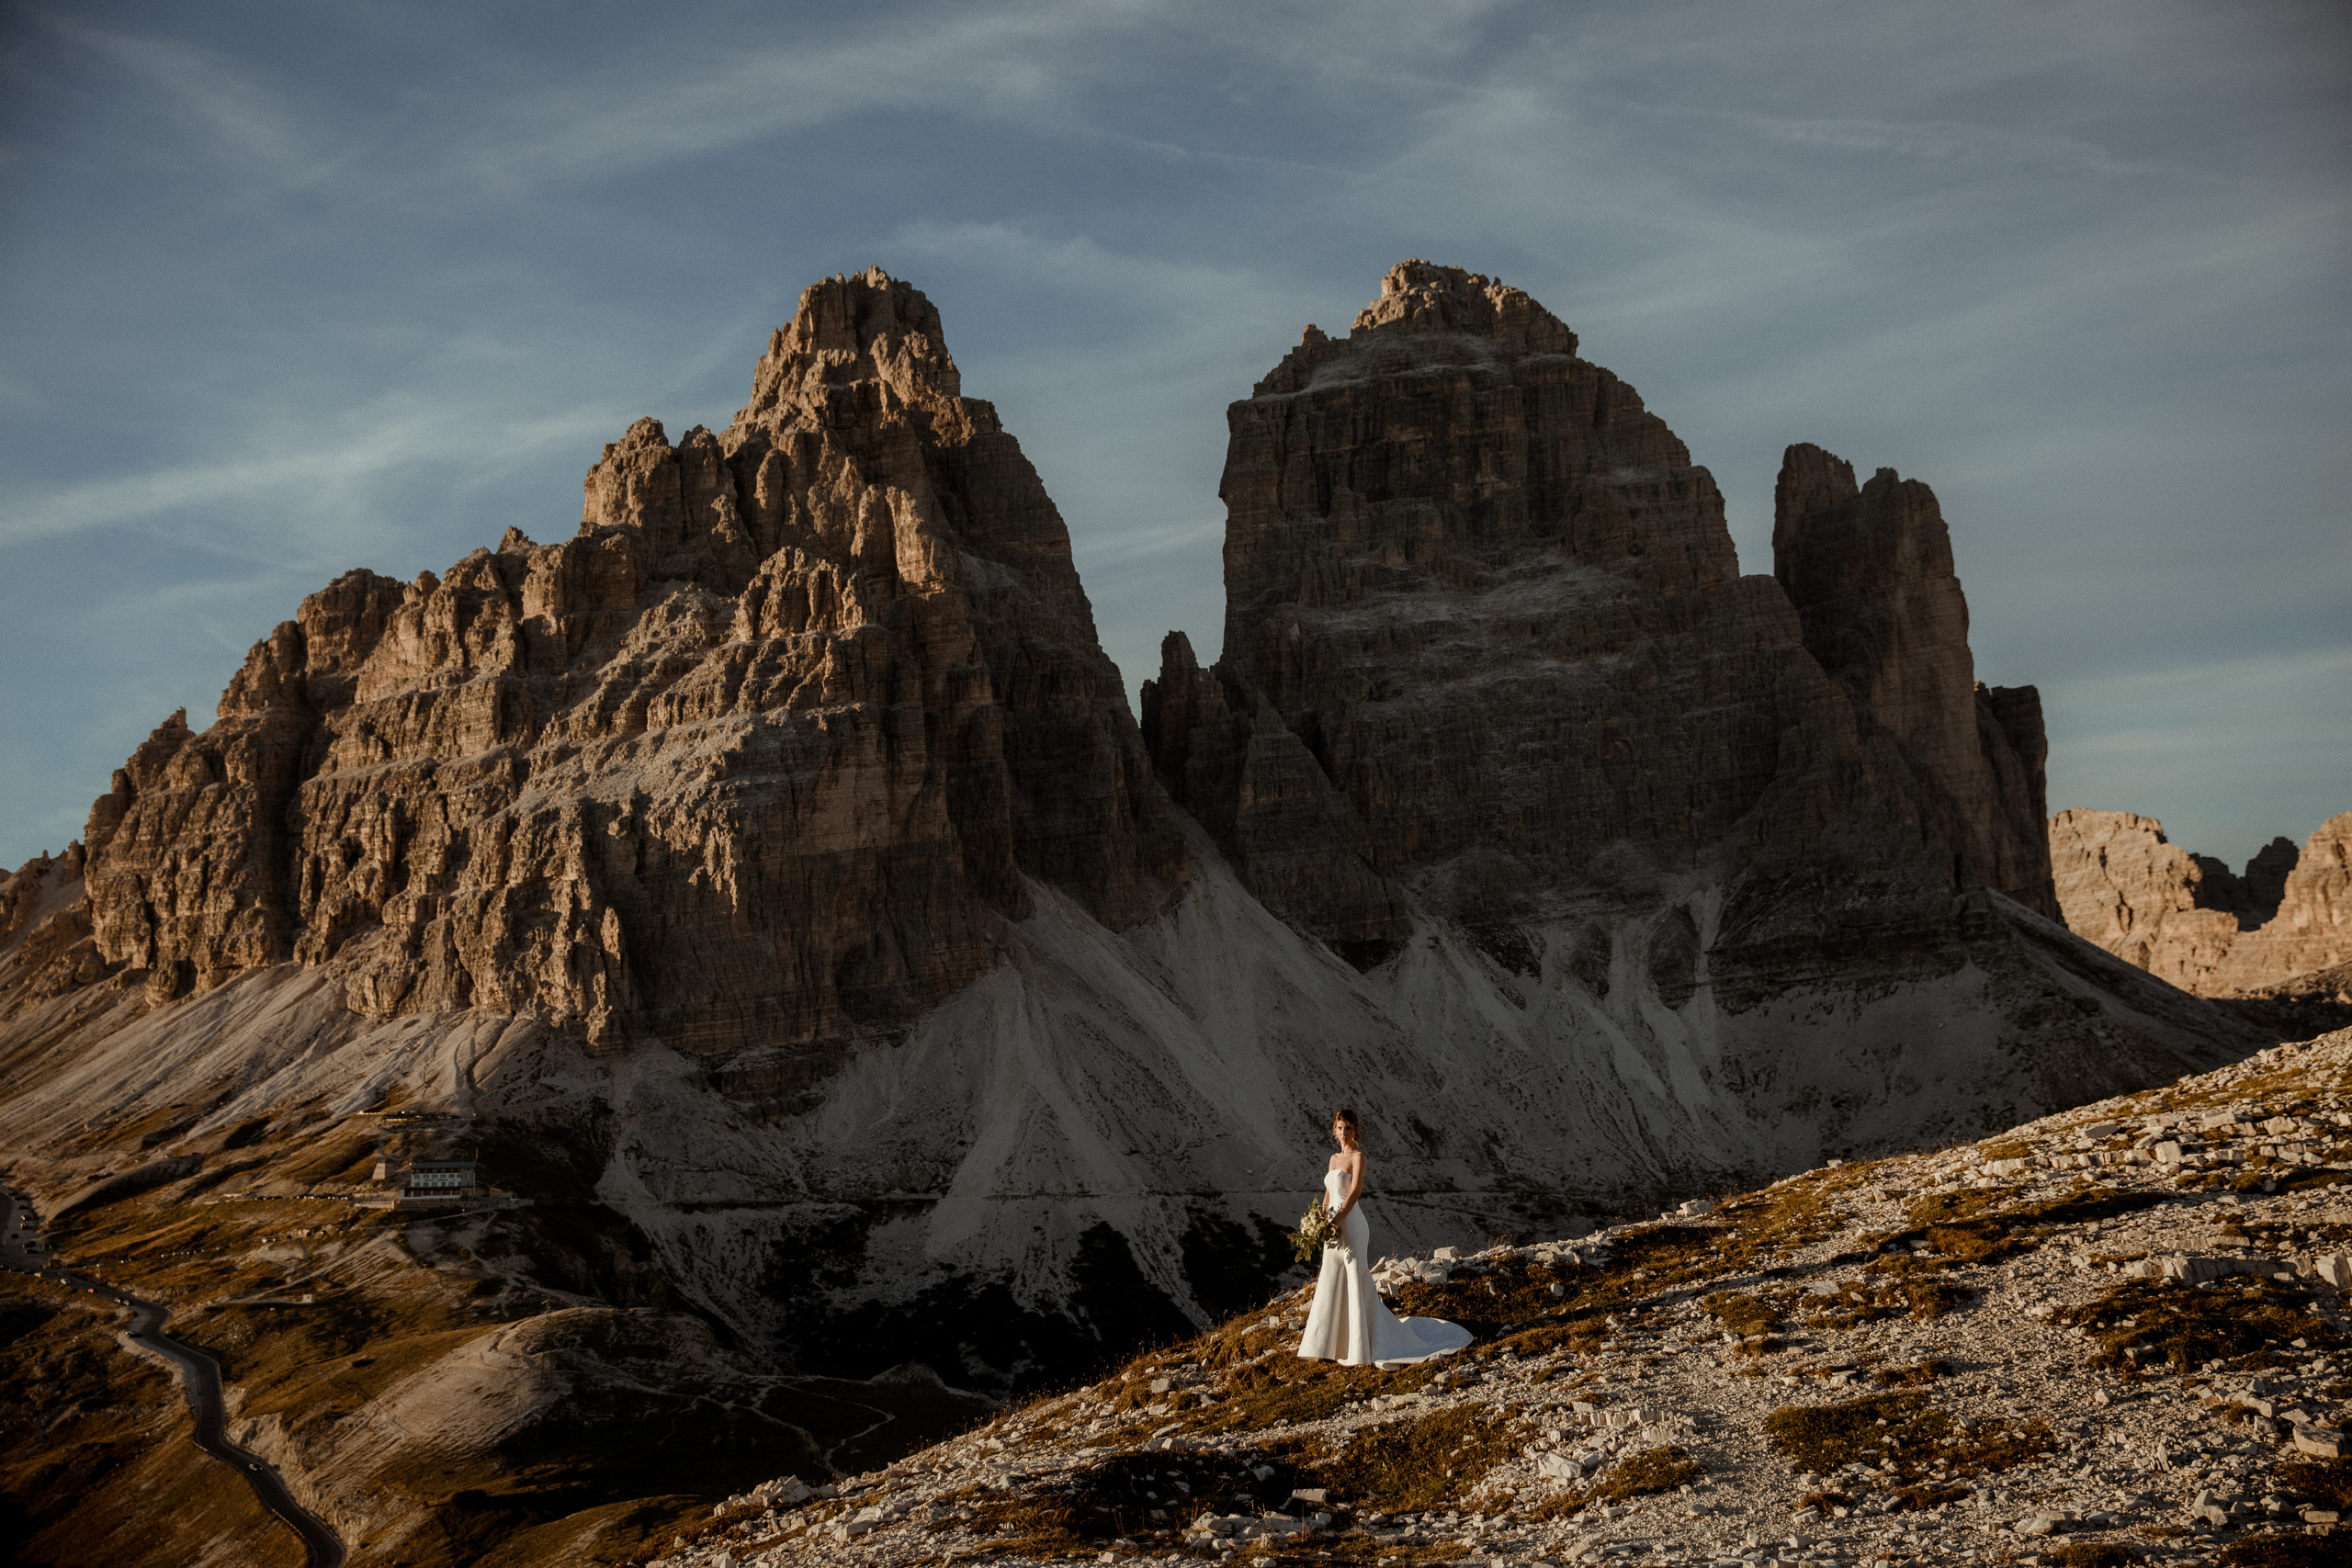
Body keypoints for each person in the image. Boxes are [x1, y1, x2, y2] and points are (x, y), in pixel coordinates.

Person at [1295, 1106, 1472, 1369]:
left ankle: (1360, 1347)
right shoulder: (1333, 1159)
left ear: (1355, 1130)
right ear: (1334, 1131)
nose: (1344, 1133)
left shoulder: (1359, 1157)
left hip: (1351, 1223)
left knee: (1355, 1276)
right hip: (1331, 1224)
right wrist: (1320, 1221)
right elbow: (1328, 1195)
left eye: (1348, 1128)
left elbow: (1354, 1193)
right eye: (1340, 1128)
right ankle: (1326, 1345)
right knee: (1331, 1276)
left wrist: (1335, 1221)